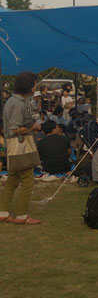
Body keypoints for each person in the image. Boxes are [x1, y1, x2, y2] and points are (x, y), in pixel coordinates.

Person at [0, 71, 43, 225]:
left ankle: (3, 212)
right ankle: (21, 215)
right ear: (29, 86)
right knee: (27, 179)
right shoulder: (18, 104)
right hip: (19, 144)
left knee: (13, 178)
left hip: (13, 145)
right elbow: (14, 129)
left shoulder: (15, 101)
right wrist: (34, 127)